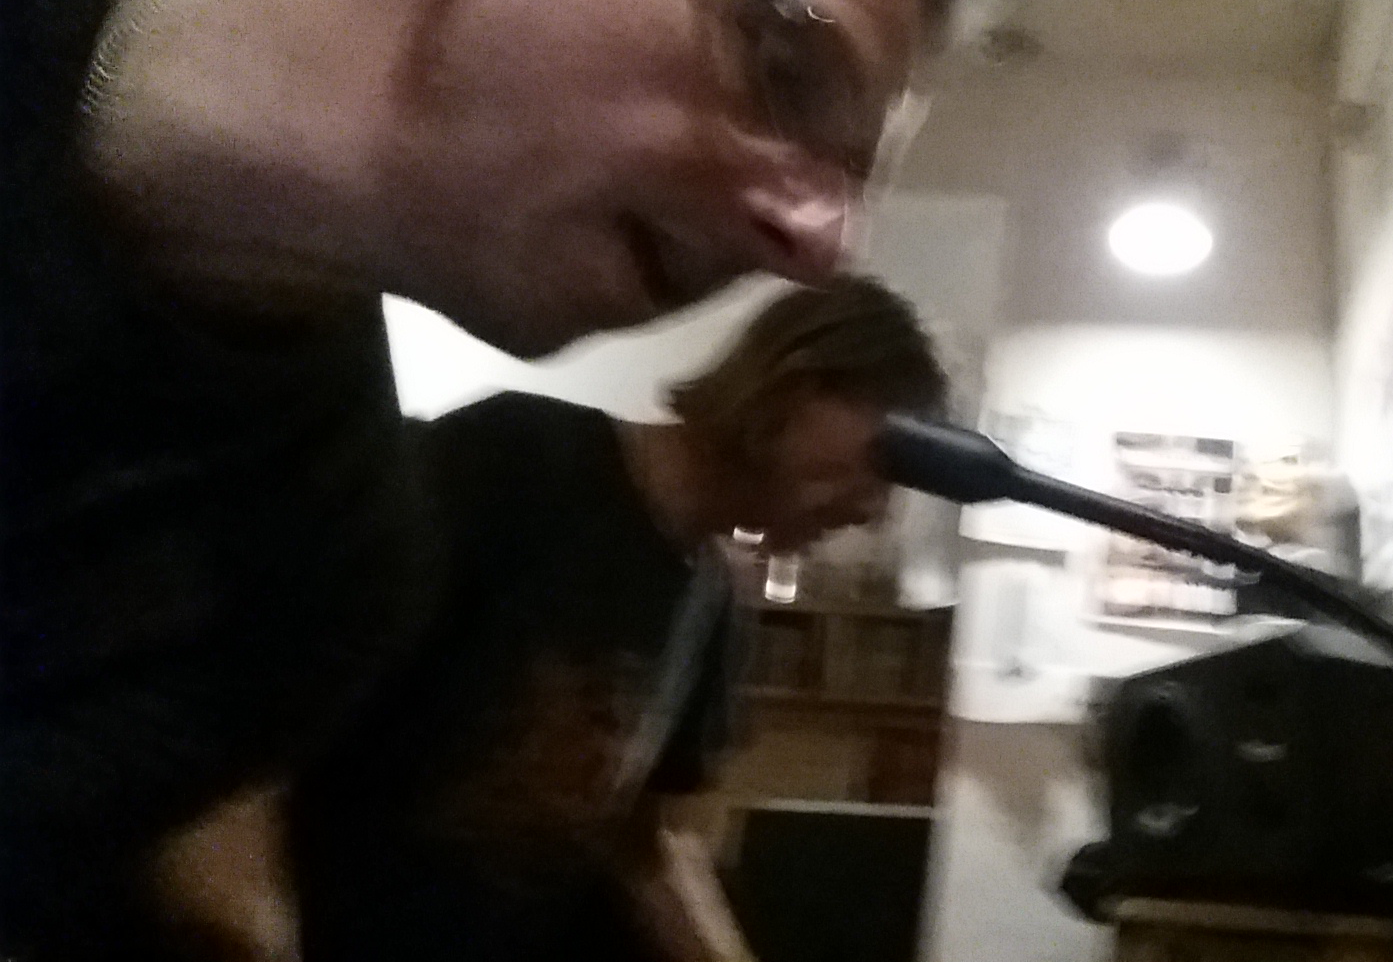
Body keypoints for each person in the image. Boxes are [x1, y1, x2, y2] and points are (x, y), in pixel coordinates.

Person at [1, 0, 965, 956]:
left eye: (849, 184)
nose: (822, 247)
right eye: (784, 68)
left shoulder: (321, 568)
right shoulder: (496, 478)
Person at [292, 275, 947, 962]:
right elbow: (281, 682)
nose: (874, 511)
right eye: (884, 461)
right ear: (797, 385)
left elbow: (646, 840)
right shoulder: (518, 455)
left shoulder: (712, 606)